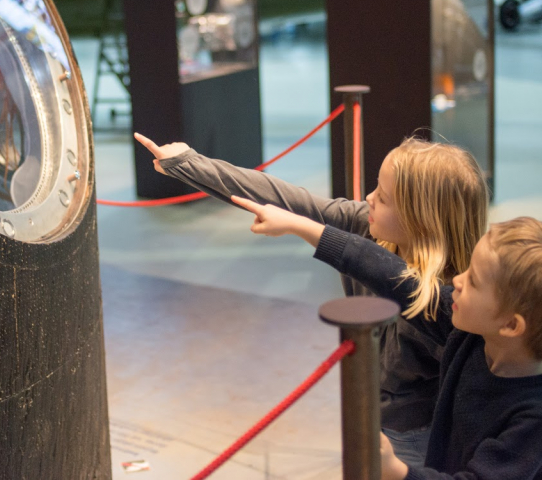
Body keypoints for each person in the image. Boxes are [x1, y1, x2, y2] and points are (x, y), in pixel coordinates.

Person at [135, 133, 488, 465]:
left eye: (382, 197)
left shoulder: (453, 304)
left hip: (413, 437)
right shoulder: (366, 225)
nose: (369, 199)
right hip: (370, 413)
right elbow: (283, 197)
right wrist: (187, 162)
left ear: (420, 220)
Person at [227, 200, 542, 479]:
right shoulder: (473, 334)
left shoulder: (537, 416)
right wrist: (300, 225)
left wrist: (398, 472)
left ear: (511, 325)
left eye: (473, 281)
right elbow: (392, 275)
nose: (457, 280)